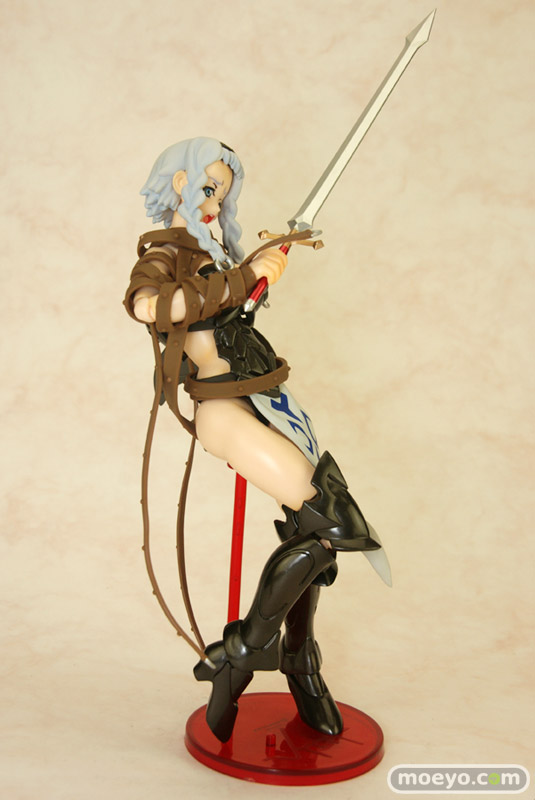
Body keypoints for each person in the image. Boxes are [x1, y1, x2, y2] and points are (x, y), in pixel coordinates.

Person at [124, 136, 390, 743]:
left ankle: (298, 660)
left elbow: (232, 317)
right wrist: (241, 279)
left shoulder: (219, 250)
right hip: (224, 408)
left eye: (223, 191)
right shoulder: (165, 253)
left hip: (268, 397)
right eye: (208, 187)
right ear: (182, 185)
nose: (215, 202)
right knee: (331, 522)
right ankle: (242, 652)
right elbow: (147, 306)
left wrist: (255, 276)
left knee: (310, 530)